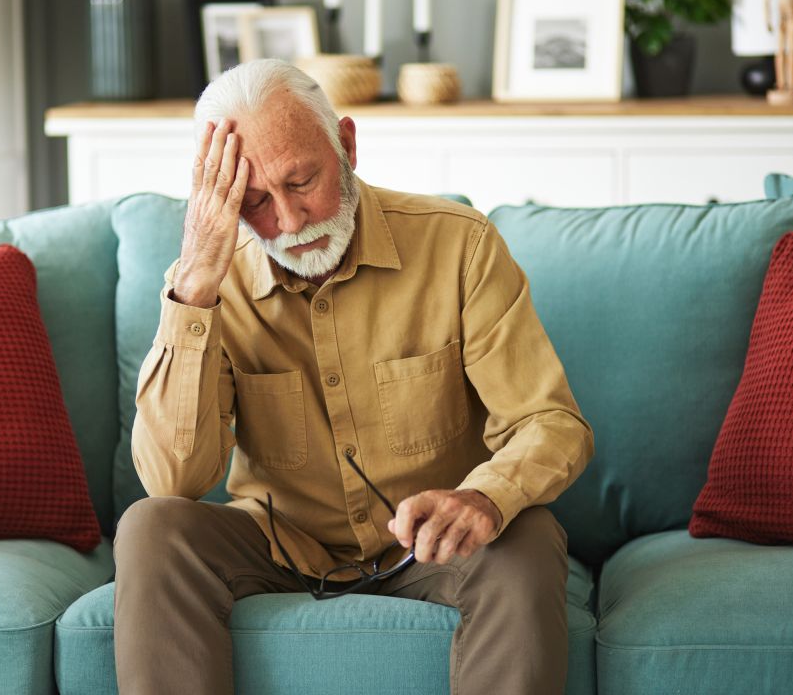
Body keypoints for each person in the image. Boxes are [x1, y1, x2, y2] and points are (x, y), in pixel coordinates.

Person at [114, 58, 594, 695]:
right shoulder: (209, 283)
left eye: (302, 181)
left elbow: (550, 422)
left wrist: (484, 497)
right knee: (152, 528)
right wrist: (197, 287)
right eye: (254, 201)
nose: (289, 221)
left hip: (434, 547)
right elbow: (174, 480)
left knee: (527, 532)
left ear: (346, 144)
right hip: (278, 544)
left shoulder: (461, 246)